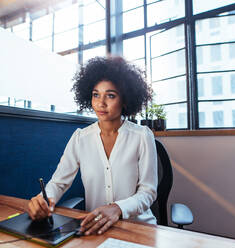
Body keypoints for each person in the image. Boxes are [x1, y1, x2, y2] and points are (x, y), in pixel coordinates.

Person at [27, 56, 158, 236]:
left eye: (110, 95)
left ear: (125, 100)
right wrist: (43, 200)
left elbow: (148, 192)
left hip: (138, 228)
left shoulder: (142, 136)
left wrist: (117, 208)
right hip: (95, 229)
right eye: (96, 94)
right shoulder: (80, 138)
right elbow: (58, 183)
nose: (100, 103)